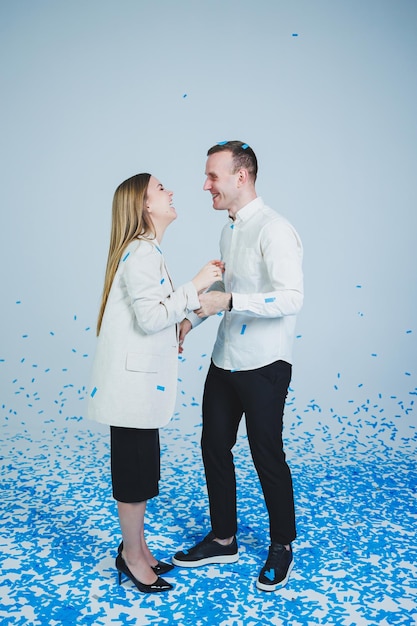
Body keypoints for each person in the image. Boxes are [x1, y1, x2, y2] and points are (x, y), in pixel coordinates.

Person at [172, 141, 304, 592]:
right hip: (225, 357)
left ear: (240, 177)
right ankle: (224, 537)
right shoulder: (229, 230)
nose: (205, 184)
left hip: (265, 363)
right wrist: (192, 318)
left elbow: (291, 298)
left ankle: (282, 545)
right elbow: (228, 285)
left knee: (266, 453)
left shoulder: (276, 229)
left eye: (212, 176)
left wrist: (229, 300)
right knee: (213, 445)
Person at [88, 173, 223, 594]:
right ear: (145, 205)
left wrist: (178, 326)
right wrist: (197, 285)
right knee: (134, 475)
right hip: (131, 391)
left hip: (137, 389)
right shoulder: (142, 253)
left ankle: (138, 549)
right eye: (161, 188)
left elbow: (149, 318)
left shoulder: (145, 251)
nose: (170, 192)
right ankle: (132, 557)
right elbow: (150, 318)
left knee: (142, 471)